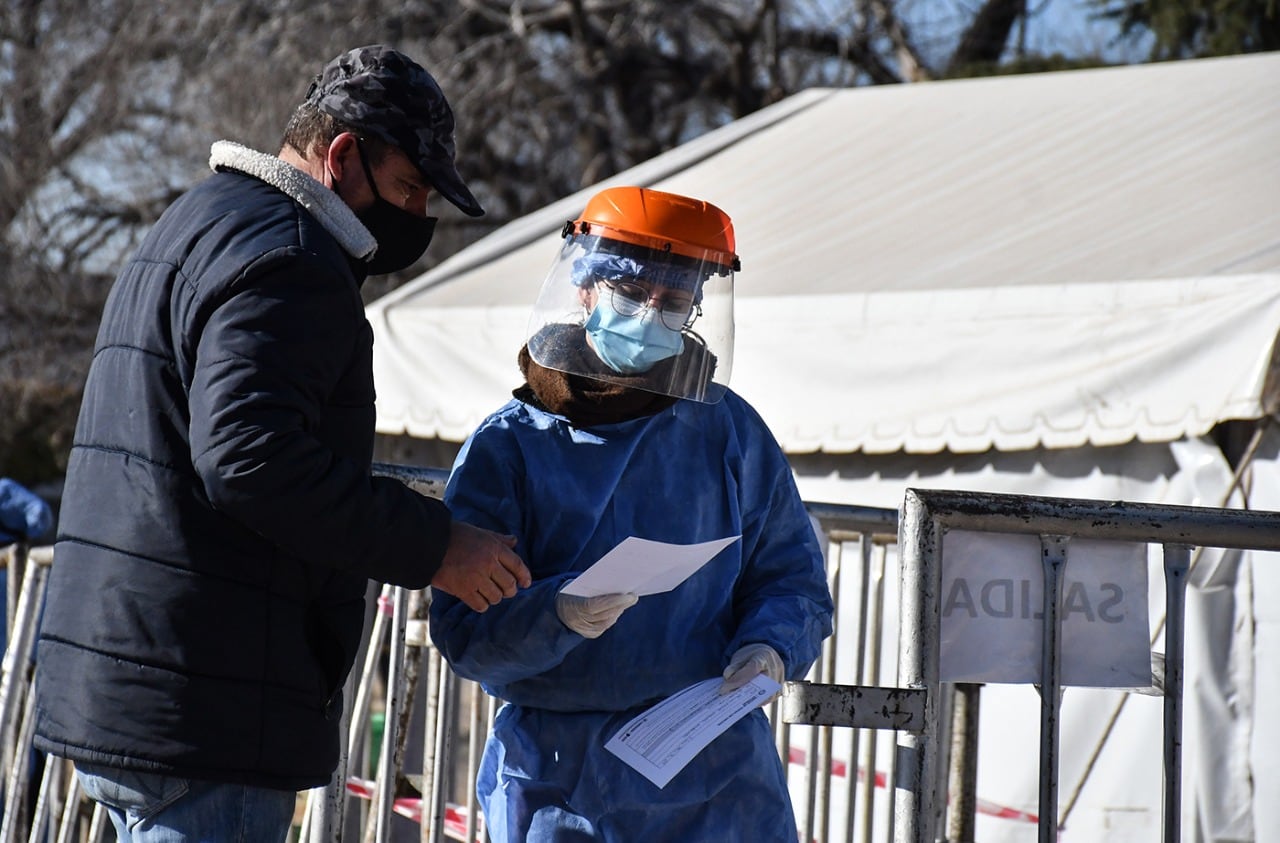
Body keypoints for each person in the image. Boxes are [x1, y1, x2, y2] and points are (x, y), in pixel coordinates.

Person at [33, 45, 530, 842]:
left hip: (129, 683)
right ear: (342, 156)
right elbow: (249, 458)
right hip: (207, 708)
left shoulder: (197, 220)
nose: (418, 213)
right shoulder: (294, 257)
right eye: (409, 186)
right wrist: (437, 545)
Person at [428, 186, 835, 841]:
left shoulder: (727, 430)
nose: (650, 314)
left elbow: (789, 576)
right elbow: (466, 630)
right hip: (560, 775)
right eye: (630, 291)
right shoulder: (511, 444)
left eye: (673, 302)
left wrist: (770, 646)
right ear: (585, 289)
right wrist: (555, 613)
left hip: (716, 771)